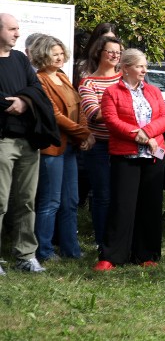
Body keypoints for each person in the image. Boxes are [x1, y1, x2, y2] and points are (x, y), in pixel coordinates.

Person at [93, 49, 165, 270]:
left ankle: (146, 254)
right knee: (122, 206)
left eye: (145, 66)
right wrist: (139, 136)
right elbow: (111, 119)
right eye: (139, 66)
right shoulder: (112, 92)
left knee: (150, 206)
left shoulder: (154, 91)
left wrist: (147, 132)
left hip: (153, 156)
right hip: (125, 155)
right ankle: (111, 256)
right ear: (125, 68)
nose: (144, 70)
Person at [0, 13, 59, 274]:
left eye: (18, 29)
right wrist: (9, 103)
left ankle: (26, 255)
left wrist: (24, 101)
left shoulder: (21, 59)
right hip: (2, 140)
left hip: (27, 141)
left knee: (26, 200)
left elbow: (37, 89)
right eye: (12, 29)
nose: (17, 33)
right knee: (0, 201)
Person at [31, 35, 94, 262]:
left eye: (60, 53)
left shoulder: (62, 77)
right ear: (42, 55)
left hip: (71, 147)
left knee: (70, 201)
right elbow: (53, 114)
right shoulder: (39, 80)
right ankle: (44, 251)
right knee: (50, 201)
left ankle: (71, 249)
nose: (59, 57)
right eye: (54, 53)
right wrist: (84, 133)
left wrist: (84, 132)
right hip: (53, 148)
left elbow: (80, 106)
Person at [79, 35, 124, 247]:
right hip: (99, 146)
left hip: (124, 143)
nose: (115, 55)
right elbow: (93, 113)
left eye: (118, 52)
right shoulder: (88, 82)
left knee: (122, 193)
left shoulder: (125, 78)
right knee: (102, 194)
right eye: (111, 51)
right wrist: (123, 110)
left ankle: (120, 237)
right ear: (99, 53)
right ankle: (102, 240)